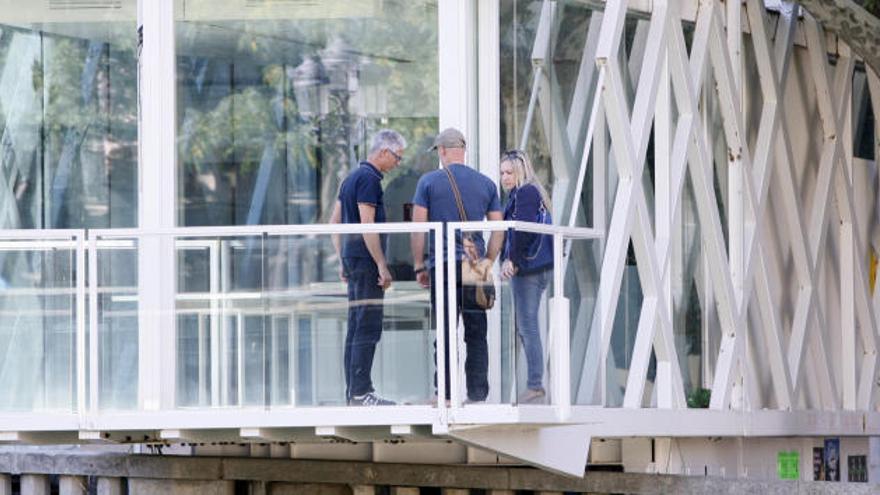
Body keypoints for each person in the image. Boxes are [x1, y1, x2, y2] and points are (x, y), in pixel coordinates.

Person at [410, 127, 504, 404]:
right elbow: (499, 229)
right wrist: (489, 261)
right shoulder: (487, 184)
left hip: (443, 263)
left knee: (446, 329)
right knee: (477, 332)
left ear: (441, 151)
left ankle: (446, 395)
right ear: (463, 150)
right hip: (475, 266)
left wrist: (419, 265)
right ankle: (477, 396)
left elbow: (418, 228)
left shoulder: (428, 182)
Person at [330, 129, 407, 406]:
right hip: (365, 261)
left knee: (356, 326)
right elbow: (367, 225)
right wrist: (381, 264)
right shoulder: (369, 180)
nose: (397, 164)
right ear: (384, 152)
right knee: (367, 326)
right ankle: (361, 392)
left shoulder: (350, 178)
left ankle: (354, 392)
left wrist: (342, 258)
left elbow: (334, 223)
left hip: (354, 260)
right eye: (397, 158)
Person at [499, 149, 553, 404]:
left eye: (509, 172)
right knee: (526, 325)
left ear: (521, 171)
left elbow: (523, 231)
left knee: (528, 326)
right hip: (534, 269)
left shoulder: (526, 192)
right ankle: (534, 383)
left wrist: (513, 262)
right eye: (502, 173)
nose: (504, 177)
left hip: (530, 270)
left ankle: (535, 384)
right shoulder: (523, 194)